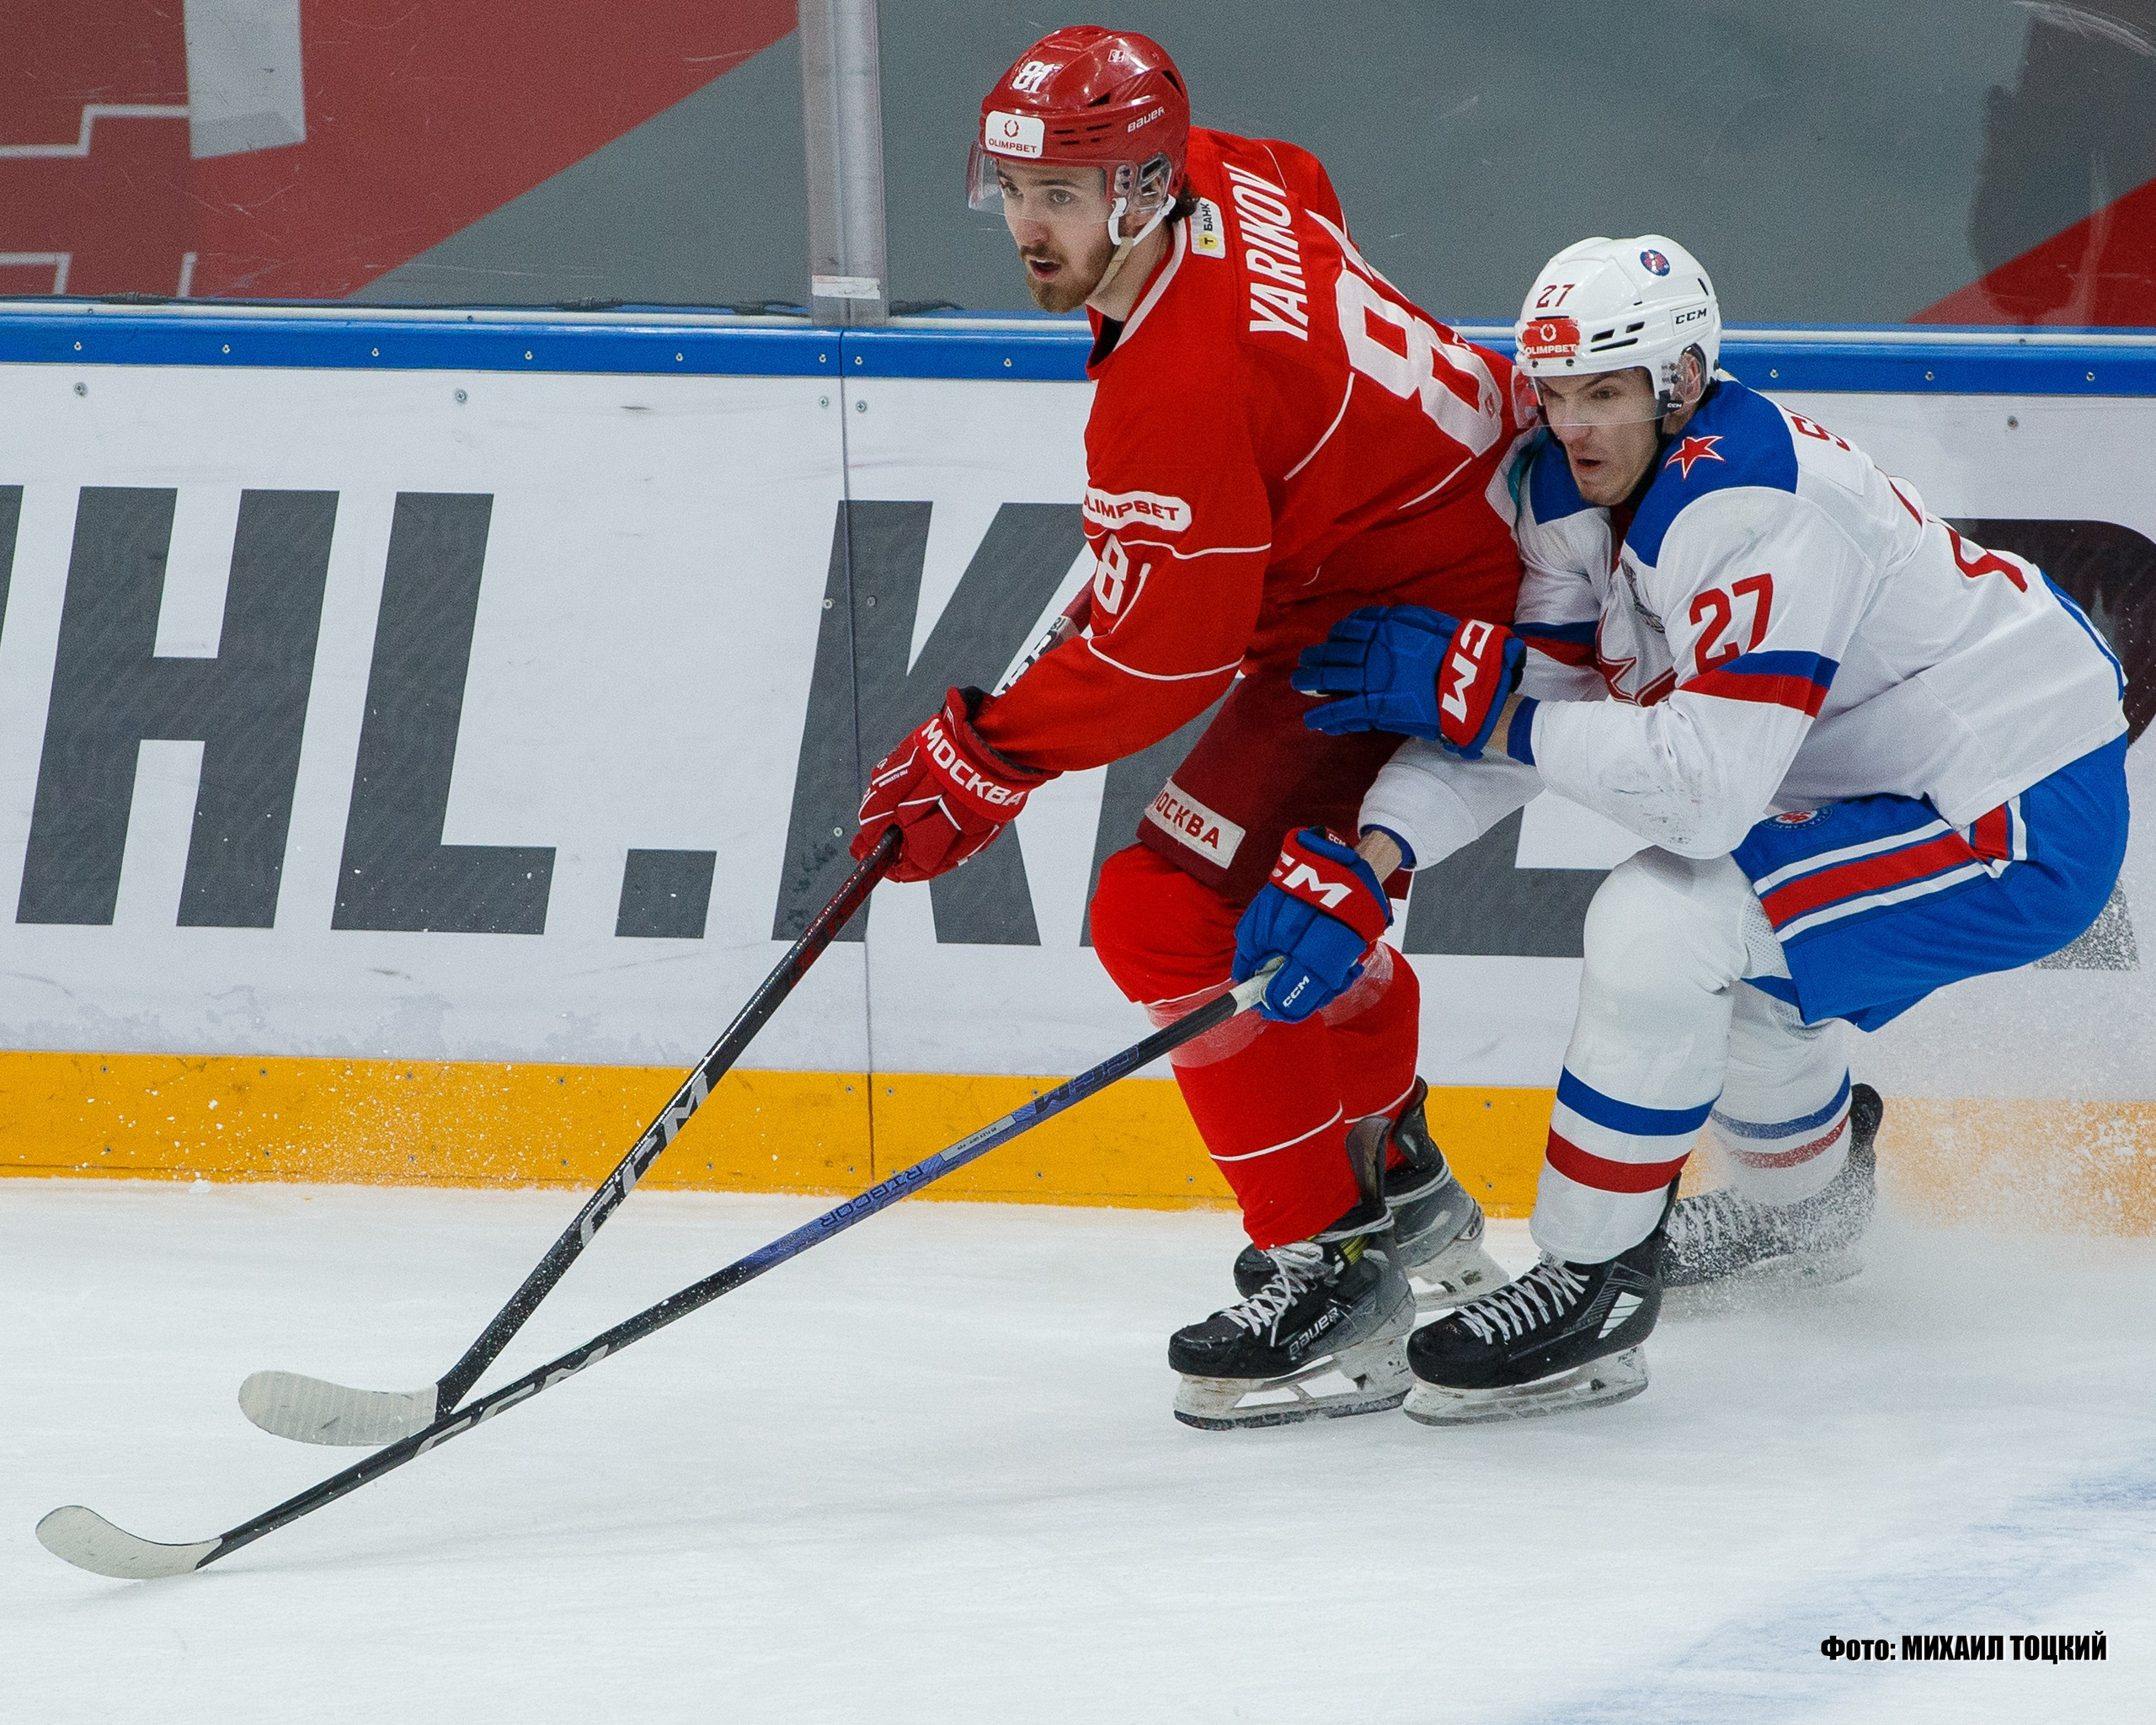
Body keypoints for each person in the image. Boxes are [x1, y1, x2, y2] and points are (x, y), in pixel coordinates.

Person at [1241, 232, 2130, 1422]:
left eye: (1606, 393)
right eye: (1555, 394)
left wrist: (1490, 703)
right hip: (1905, 770)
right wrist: (1380, 849)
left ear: (1683, 382)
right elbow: (1549, 711)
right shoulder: (1572, 491)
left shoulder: (1755, 504)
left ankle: (1596, 1283)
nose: (1575, 427)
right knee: (1756, 968)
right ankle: (1800, 1214)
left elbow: (1700, 792)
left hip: (2019, 801)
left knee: (1666, 920)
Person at [850, 26, 1535, 1429]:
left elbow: (1170, 664)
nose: (1030, 228)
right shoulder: (1236, 175)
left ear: (1147, 191)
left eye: (1065, 197)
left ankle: (1329, 1266)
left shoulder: (1177, 394)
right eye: (1018, 190)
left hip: (1422, 615)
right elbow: (1310, 185)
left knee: (1163, 917)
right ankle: (1393, 1183)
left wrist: (983, 759)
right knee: (1266, 905)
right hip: (1449, 542)